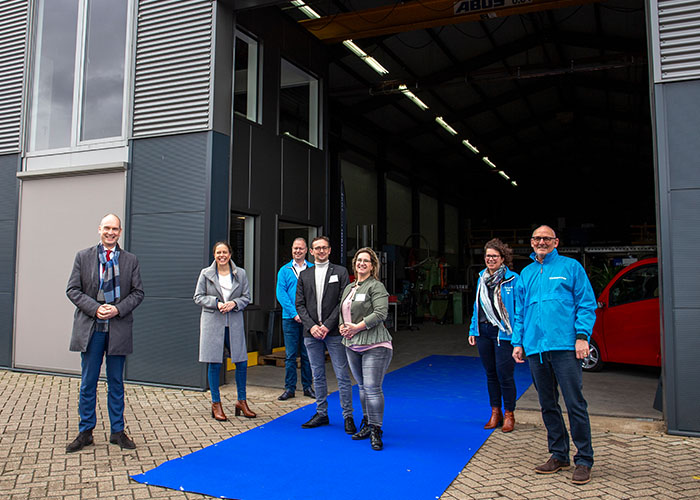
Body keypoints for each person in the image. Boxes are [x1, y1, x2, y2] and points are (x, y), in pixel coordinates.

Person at [512, 225, 597, 485]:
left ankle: (584, 459)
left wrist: (582, 337)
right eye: (537, 238)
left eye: (546, 238)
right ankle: (559, 455)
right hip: (536, 349)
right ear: (531, 242)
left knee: (574, 404)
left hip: (564, 347)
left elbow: (586, 303)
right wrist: (518, 342)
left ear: (556, 242)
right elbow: (519, 313)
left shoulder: (571, 268)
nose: (541, 242)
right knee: (548, 404)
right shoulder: (525, 274)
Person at [65, 214, 144, 453]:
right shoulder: (83, 256)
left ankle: (117, 431)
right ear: (100, 229)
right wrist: (96, 308)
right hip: (91, 328)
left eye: (115, 229)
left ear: (120, 232)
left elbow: (138, 293)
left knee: (116, 382)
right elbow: (73, 290)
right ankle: (86, 431)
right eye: (107, 228)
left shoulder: (130, 260)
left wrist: (117, 309)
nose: (111, 232)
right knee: (88, 382)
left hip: (117, 328)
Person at [296, 236, 355, 433]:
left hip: (334, 332)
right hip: (310, 332)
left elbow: (343, 302)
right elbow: (300, 304)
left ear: (329, 250)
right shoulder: (305, 275)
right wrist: (312, 326)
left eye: (324, 248)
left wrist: (327, 326)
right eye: (316, 248)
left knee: (342, 374)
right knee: (317, 374)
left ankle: (348, 416)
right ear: (311, 252)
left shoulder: (340, 272)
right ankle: (321, 413)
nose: (320, 251)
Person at [194, 241, 255, 421]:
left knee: (241, 362)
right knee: (215, 363)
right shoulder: (206, 274)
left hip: (234, 322)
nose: (222, 255)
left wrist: (234, 303)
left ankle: (241, 401)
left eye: (225, 252)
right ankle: (216, 404)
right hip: (213, 322)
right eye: (218, 252)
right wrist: (216, 303)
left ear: (230, 254)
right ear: (214, 255)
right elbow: (198, 297)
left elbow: (247, 297)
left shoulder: (240, 273)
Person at [339, 247, 393, 451]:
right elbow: (342, 313)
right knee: (361, 387)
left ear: (372, 266)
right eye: (359, 260)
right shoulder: (349, 288)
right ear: (354, 264)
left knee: (372, 388)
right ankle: (367, 423)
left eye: (366, 261)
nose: (362, 263)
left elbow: (380, 313)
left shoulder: (376, 286)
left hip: (375, 344)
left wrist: (357, 327)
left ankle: (376, 430)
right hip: (352, 344)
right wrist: (342, 327)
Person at [468, 239, 519, 433]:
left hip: (504, 333)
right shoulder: (481, 277)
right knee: (490, 374)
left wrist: (518, 338)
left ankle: (509, 414)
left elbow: (519, 310)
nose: (490, 259)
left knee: (505, 375)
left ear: (503, 258)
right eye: (488, 256)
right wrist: (473, 329)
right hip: (484, 332)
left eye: (494, 256)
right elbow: (477, 306)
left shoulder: (513, 279)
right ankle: (495, 412)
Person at [275, 238, 315, 401]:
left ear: (306, 250)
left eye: (301, 248)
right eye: (295, 248)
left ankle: (308, 387)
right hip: (290, 319)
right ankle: (289, 388)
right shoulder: (284, 270)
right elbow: (281, 294)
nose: (297, 251)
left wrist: (306, 315)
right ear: (292, 250)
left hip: (309, 320)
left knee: (308, 355)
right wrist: (294, 313)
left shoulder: (313, 269)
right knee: (290, 356)